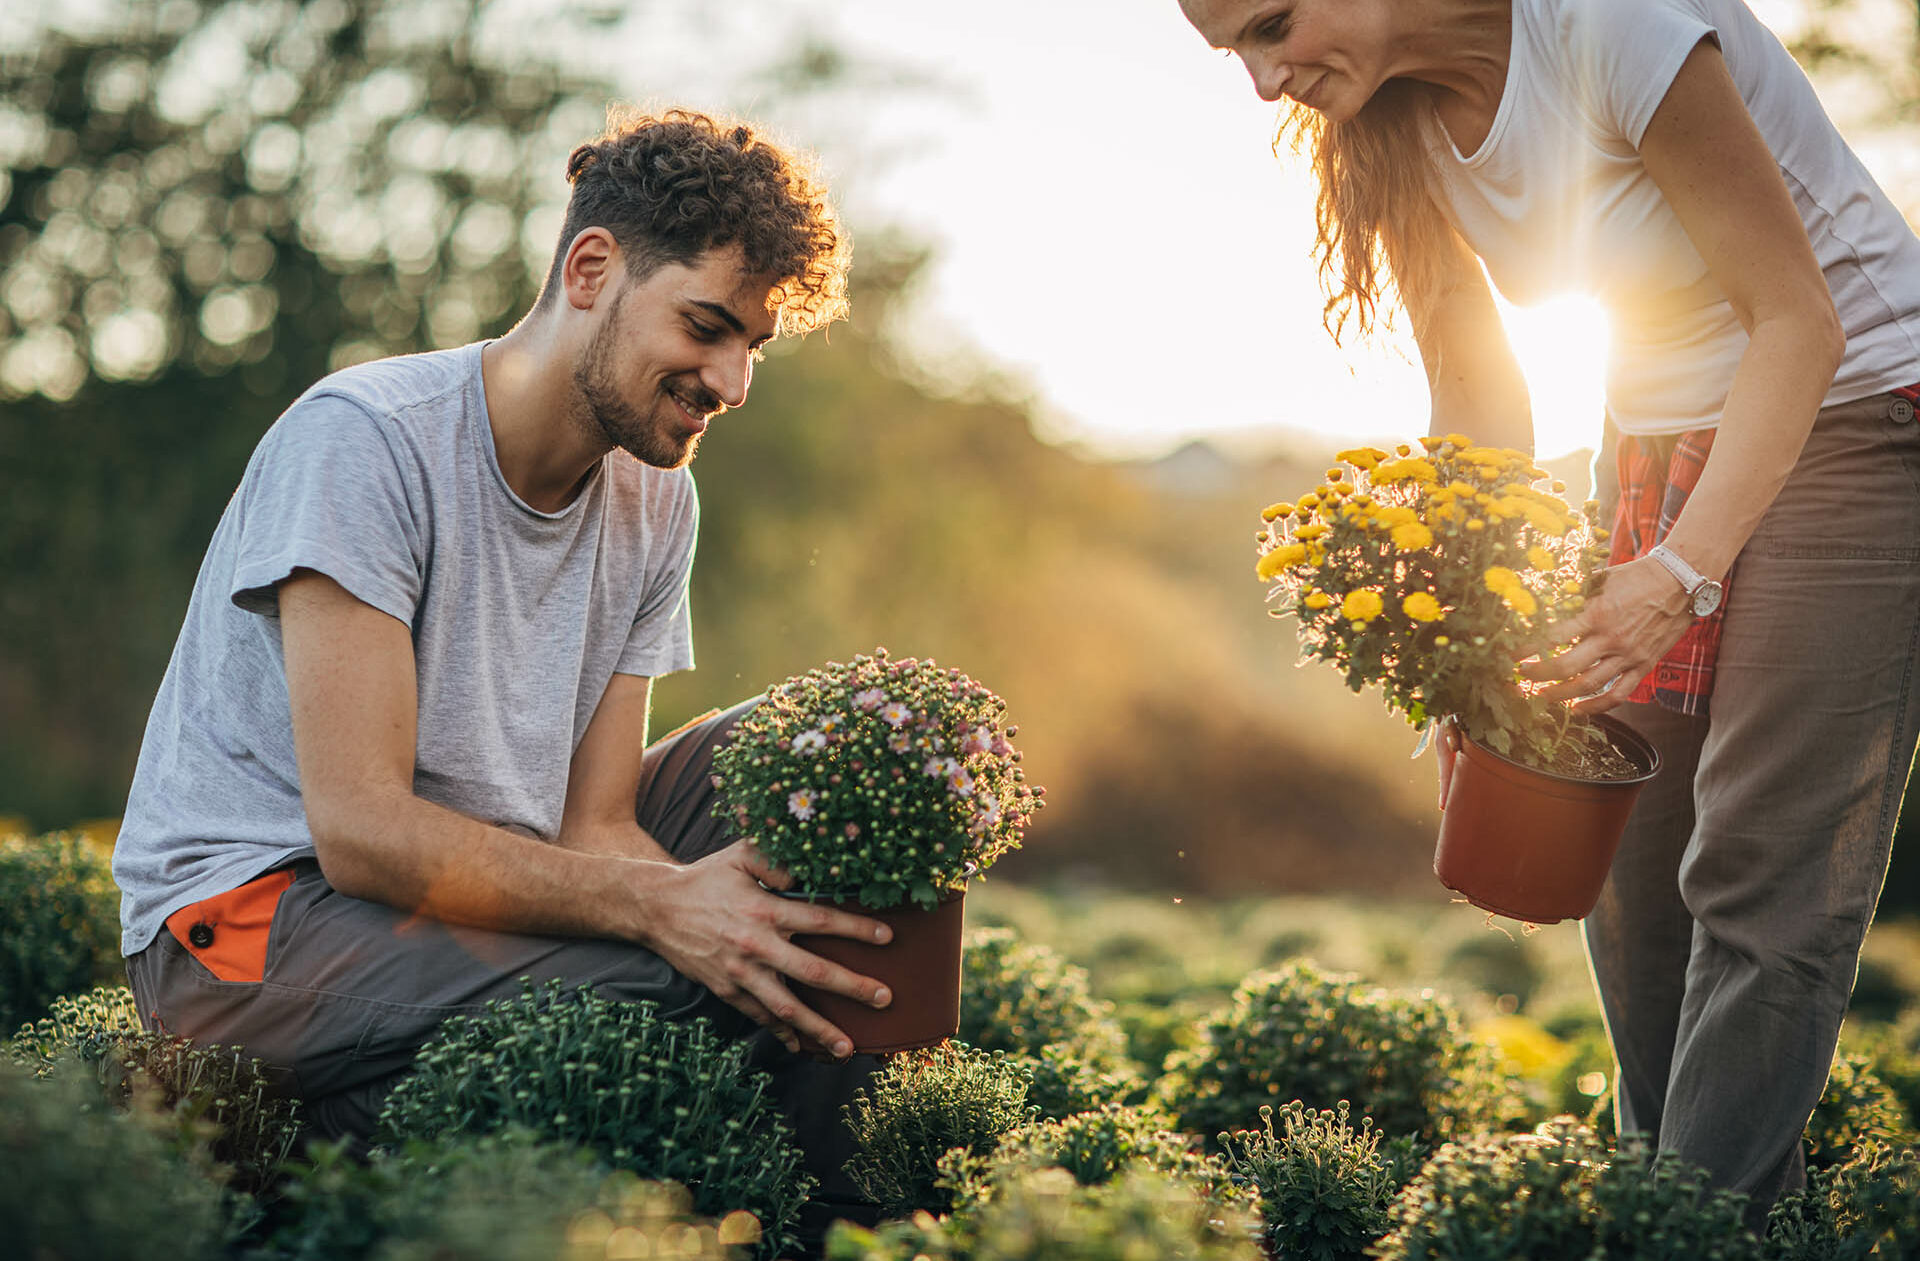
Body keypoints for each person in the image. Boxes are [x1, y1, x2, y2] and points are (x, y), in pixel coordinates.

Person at [1181, 0, 1920, 1218]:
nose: (1266, 81)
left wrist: (1681, 571)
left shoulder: (1614, 29)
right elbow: (1478, 389)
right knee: (1622, 852)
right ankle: (1687, 1201)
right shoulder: (1384, 123)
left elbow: (1799, 320)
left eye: (1273, 23)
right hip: (1652, 435)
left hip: (1849, 413)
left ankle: (1691, 1231)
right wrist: (1466, 644)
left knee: (1756, 865)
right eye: (1236, 55)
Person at [111, 108, 891, 1200]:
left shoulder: (659, 499)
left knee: (825, 757)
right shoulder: (366, 440)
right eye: (706, 326)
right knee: (656, 983)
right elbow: (363, 835)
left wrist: (742, 930)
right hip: (245, 930)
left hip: (466, 898)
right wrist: (667, 918)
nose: (732, 383)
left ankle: (847, 1210)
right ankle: (314, 1135)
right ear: (589, 268)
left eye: (751, 345)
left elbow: (599, 823)